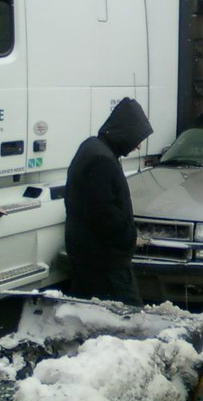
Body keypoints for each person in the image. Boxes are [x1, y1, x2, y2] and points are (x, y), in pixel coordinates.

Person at [64, 98, 153, 305]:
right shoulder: (102, 160)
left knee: (89, 312)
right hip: (104, 259)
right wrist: (128, 237)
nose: (138, 147)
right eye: (137, 139)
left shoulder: (91, 147)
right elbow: (103, 212)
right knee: (129, 316)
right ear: (126, 132)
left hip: (86, 252)